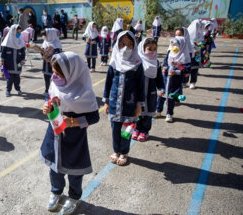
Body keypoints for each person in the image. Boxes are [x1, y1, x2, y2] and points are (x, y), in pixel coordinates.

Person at [40, 52, 99, 214]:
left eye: (58, 74)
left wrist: (72, 122)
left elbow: (94, 117)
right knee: (54, 168)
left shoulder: (85, 92)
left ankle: (74, 196)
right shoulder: (55, 84)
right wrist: (47, 106)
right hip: (54, 134)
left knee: (74, 171)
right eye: (53, 72)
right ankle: (56, 191)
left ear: (72, 73)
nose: (54, 76)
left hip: (74, 138)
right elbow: (49, 97)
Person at [103, 31, 144, 165]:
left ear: (134, 46)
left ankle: (124, 152)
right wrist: (106, 102)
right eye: (123, 44)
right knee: (115, 130)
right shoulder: (114, 64)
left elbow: (141, 86)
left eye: (130, 44)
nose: (126, 47)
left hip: (130, 105)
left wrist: (139, 105)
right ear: (117, 45)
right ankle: (116, 151)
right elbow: (108, 84)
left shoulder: (137, 65)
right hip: (115, 104)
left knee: (126, 130)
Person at [133, 38, 164, 141]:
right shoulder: (137, 61)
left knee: (148, 113)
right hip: (139, 91)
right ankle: (137, 129)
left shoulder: (156, 63)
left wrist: (161, 88)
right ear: (142, 48)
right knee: (138, 112)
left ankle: (145, 131)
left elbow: (159, 78)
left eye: (154, 49)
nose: (152, 51)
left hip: (151, 92)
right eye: (149, 48)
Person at [155, 36, 191, 122]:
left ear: (181, 45)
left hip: (175, 81)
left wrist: (177, 72)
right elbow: (165, 62)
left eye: (175, 44)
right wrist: (164, 67)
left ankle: (169, 113)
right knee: (161, 94)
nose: (173, 45)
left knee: (171, 96)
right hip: (165, 78)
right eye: (172, 43)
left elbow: (186, 70)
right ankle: (158, 110)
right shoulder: (169, 52)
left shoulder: (184, 56)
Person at [0, 25, 26, 96]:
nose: (19, 34)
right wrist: (2, 62)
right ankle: (8, 90)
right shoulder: (6, 42)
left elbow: (23, 53)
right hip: (9, 64)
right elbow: (3, 54)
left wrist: (23, 61)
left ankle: (18, 89)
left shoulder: (20, 41)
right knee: (9, 79)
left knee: (17, 78)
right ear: (13, 32)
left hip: (18, 64)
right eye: (17, 32)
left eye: (20, 32)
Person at [41, 28, 62, 98]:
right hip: (46, 64)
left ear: (50, 35)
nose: (44, 37)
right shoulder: (45, 42)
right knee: (46, 78)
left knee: (55, 79)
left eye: (45, 35)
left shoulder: (56, 44)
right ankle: (47, 90)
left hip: (54, 66)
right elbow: (42, 52)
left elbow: (58, 55)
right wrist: (42, 53)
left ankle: (55, 92)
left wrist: (49, 59)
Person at [187, 19, 204, 89]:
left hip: (197, 53)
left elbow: (201, 43)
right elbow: (185, 43)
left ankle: (192, 82)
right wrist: (191, 49)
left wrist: (197, 49)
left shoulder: (200, 34)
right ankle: (184, 82)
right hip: (188, 54)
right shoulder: (187, 33)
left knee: (195, 69)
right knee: (187, 68)